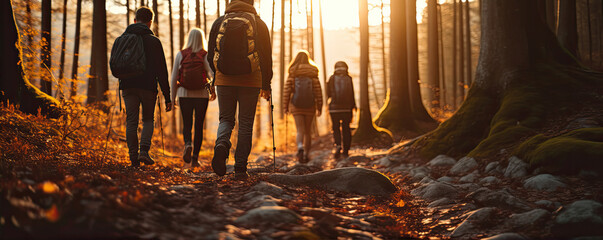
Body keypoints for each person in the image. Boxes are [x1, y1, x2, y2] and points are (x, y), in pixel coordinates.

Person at [207, 0, 273, 179]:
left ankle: (221, 144)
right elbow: (266, 56)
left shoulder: (219, 22)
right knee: (245, 124)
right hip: (251, 79)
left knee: (226, 119)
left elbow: (210, 54)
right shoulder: (259, 24)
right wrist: (266, 84)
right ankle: (240, 169)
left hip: (224, 78)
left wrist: (216, 76)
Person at [118, 7, 172, 167]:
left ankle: (133, 158)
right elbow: (162, 71)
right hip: (148, 87)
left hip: (127, 86)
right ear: (150, 23)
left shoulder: (124, 38)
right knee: (148, 119)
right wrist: (167, 96)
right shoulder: (154, 41)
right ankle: (144, 151)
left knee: (131, 121)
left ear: (135, 20)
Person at [170, 28, 216, 167]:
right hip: (202, 95)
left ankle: (188, 144)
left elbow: (173, 78)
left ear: (188, 38)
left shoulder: (181, 55)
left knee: (187, 123)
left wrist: (172, 99)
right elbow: (212, 75)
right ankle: (195, 158)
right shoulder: (205, 55)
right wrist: (213, 91)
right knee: (198, 125)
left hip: (184, 94)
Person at [282, 51, 323, 163]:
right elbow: (318, 92)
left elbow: (287, 91)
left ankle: (300, 147)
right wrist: (320, 107)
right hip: (310, 106)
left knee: (300, 130)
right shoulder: (313, 73)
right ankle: (306, 154)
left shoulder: (293, 72)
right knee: (308, 131)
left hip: (296, 105)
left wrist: (285, 107)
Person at [326, 61, 356, 158]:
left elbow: (328, 94)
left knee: (336, 127)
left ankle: (338, 145)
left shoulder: (331, 78)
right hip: (346, 108)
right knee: (346, 128)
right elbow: (352, 94)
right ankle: (346, 149)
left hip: (334, 109)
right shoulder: (349, 78)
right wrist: (353, 106)